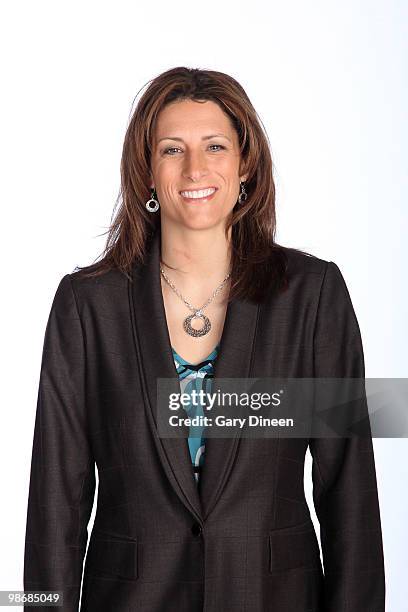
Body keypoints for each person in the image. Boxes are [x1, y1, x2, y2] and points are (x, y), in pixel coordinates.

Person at [24, 67, 385, 611]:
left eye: (215, 146)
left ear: (245, 165)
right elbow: (57, 504)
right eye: (172, 149)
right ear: (146, 171)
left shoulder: (312, 296)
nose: (195, 168)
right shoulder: (86, 305)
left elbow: (348, 493)